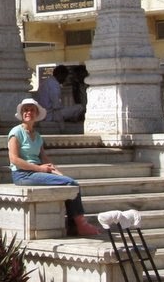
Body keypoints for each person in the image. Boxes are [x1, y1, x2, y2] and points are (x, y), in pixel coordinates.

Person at [8, 98, 100, 237]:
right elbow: (14, 159)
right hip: (22, 174)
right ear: (21, 113)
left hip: (37, 171)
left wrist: (59, 174)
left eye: (32, 110)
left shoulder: (37, 136)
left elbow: (44, 159)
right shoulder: (16, 132)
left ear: (37, 114)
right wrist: (40, 169)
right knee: (70, 183)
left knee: (70, 183)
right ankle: (81, 224)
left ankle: (74, 225)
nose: (29, 113)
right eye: (26, 110)